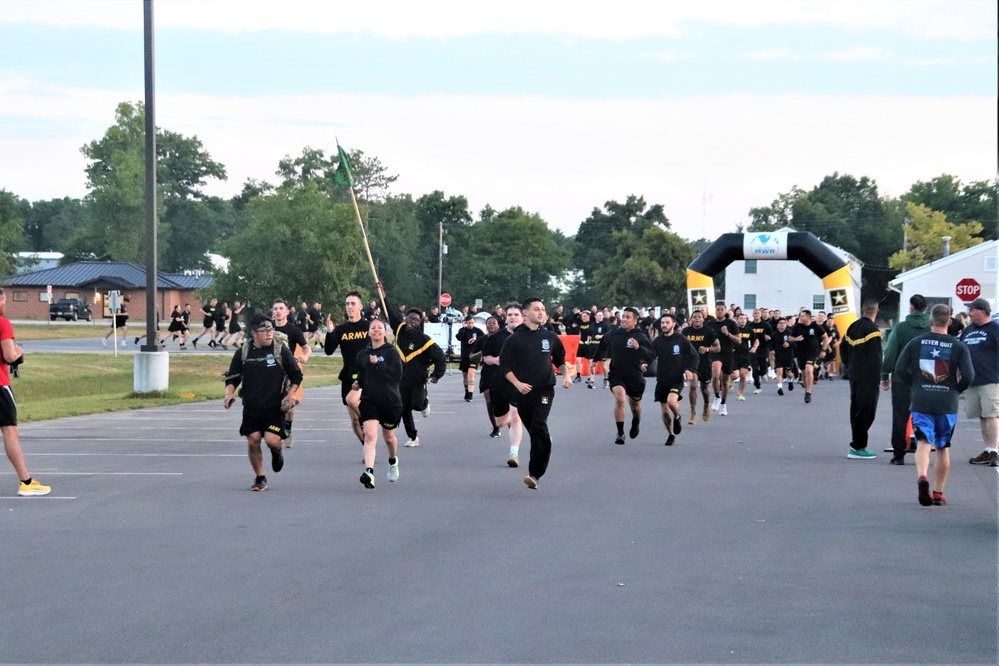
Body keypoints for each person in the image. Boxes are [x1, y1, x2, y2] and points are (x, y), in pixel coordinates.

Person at [894, 304, 973, 506]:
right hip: (947, 402)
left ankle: (922, 476)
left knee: (923, 442)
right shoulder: (958, 346)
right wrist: (956, 389)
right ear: (949, 322)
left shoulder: (916, 342)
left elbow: (900, 369)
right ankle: (938, 493)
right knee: (942, 447)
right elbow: (969, 376)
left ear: (931, 322)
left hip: (922, 399)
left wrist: (915, 385)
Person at [223, 314, 303, 492]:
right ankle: (260, 477)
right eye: (264, 331)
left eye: (271, 330)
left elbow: (296, 374)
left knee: (272, 440)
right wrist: (229, 393)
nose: (269, 334)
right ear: (253, 333)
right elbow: (233, 376)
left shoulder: (280, 350)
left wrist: (290, 394)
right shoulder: (243, 352)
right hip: (251, 407)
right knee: (253, 440)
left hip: (274, 407)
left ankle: (277, 451)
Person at [500, 297, 573, 489]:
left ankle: (534, 474)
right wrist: (517, 384)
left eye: (543, 309)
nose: (541, 312)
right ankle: (544, 442)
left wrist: (566, 376)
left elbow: (560, 359)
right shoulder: (514, 339)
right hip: (523, 392)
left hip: (544, 389)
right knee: (535, 432)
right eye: (536, 309)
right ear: (526, 313)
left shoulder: (550, 337)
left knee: (539, 425)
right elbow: (505, 367)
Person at [381, 285, 446, 448]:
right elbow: (390, 313)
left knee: (416, 404)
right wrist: (383, 296)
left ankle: (424, 403)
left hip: (418, 379)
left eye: (415, 320)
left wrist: (437, 374)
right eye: (409, 318)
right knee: (403, 408)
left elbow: (440, 357)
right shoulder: (400, 330)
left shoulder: (424, 340)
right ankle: (413, 437)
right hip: (400, 379)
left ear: (420, 323)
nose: (411, 321)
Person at [0, 288, 51, 496]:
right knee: (10, 431)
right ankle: (26, 481)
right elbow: (10, 355)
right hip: (0, 385)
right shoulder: (3, 323)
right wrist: (19, 352)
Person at [354, 318, 404, 489]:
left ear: (385, 332)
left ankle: (392, 461)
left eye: (379, 328)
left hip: (390, 401)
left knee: (389, 438)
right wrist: (358, 383)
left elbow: (397, 375)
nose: (376, 330)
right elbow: (362, 375)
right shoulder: (362, 354)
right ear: (368, 332)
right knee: (370, 435)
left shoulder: (391, 352)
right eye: (373, 328)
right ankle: (369, 472)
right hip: (369, 400)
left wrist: (379, 365)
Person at [880, 294, 931, 465]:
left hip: (902, 378)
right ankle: (924, 450)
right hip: (926, 378)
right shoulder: (931, 328)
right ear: (926, 309)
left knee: (900, 415)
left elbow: (890, 352)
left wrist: (884, 374)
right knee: (925, 415)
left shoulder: (901, 328)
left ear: (911, 307)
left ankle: (899, 453)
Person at [598, 307, 654, 445]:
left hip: (635, 375)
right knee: (620, 398)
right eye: (623, 316)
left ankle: (636, 419)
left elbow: (651, 355)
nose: (624, 319)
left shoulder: (640, 336)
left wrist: (638, 348)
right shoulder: (614, 334)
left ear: (635, 321)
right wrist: (596, 358)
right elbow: (602, 344)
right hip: (617, 373)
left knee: (635, 406)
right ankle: (620, 433)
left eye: (628, 317)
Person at [324, 291, 373, 446]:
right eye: (347, 304)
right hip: (348, 375)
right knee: (353, 420)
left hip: (366, 375)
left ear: (360, 306)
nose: (349, 307)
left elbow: (381, 345)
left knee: (352, 400)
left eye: (353, 303)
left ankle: (370, 421)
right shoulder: (341, 329)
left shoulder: (368, 326)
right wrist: (330, 332)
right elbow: (328, 351)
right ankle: (367, 445)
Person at [479, 304, 525, 465]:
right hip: (499, 381)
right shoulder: (496, 338)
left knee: (515, 416)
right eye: (510, 314)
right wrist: (496, 360)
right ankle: (509, 425)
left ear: (523, 317)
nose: (513, 317)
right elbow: (485, 358)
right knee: (501, 422)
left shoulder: (529, 336)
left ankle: (513, 454)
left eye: (516, 315)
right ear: (506, 317)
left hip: (520, 382)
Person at [841, 298, 882, 460]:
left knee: (856, 409)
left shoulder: (852, 326)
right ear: (876, 311)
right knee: (867, 411)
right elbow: (876, 358)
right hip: (868, 377)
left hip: (854, 375)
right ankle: (858, 446)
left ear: (863, 309)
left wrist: (849, 365)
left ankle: (857, 443)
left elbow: (842, 346)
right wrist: (880, 376)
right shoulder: (873, 330)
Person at [962, 298, 999, 467]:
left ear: (982, 312)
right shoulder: (968, 330)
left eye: (972, 310)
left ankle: (994, 452)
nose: (969, 314)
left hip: (991, 379)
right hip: (972, 380)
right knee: (983, 416)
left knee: (991, 414)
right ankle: (988, 449)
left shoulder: (995, 329)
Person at [651, 312, 698, 446]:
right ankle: (671, 434)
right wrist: (643, 364)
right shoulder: (658, 341)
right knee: (665, 412)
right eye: (662, 323)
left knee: (671, 402)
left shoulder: (681, 340)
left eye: (667, 322)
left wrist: (690, 370)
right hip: (662, 379)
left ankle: (677, 416)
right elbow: (650, 357)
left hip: (677, 378)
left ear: (673, 324)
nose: (664, 325)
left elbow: (694, 356)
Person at [270, 299, 312, 448]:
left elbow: (307, 348)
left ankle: (288, 428)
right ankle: (275, 430)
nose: (278, 311)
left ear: (287, 311)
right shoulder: (268, 330)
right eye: (275, 309)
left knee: (289, 404)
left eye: (281, 308)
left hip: (288, 371)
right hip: (271, 370)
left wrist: (305, 356)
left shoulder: (294, 330)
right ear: (272, 312)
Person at [682, 310, 720, 424]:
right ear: (691, 319)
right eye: (695, 317)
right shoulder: (686, 331)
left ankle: (706, 403)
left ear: (703, 319)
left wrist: (707, 349)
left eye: (699, 317)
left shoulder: (709, 331)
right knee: (693, 385)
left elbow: (718, 348)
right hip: (691, 363)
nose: (697, 319)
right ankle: (693, 413)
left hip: (704, 363)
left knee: (704, 388)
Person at [469, 315, 503, 438]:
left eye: (494, 323)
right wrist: (483, 353)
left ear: (498, 325)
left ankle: (509, 421)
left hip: (503, 372)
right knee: (490, 402)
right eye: (489, 323)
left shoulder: (505, 338)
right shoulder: (482, 340)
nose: (491, 325)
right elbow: (471, 357)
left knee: (506, 400)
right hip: (488, 372)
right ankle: (495, 427)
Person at [789, 309, 830, 404]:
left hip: (812, 352)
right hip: (801, 352)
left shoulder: (815, 326)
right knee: (803, 372)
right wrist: (796, 339)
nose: (800, 318)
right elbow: (790, 338)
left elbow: (825, 336)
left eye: (802, 316)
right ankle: (806, 388)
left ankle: (808, 392)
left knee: (809, 370)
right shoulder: (797, 327)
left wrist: (823, 350)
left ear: (808, 317)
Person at [707, 303, 741, 415]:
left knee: (725, 380)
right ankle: (716, 396)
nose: (720, 311)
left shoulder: (731, 323)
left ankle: (723, 403)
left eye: (722, 309)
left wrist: (728, 334)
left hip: (728, 353)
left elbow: (738, 340)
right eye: (718, 309)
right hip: (716, 353)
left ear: (725, 311)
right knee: (716, 374)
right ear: (715, 311)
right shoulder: (710, 324)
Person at [455, 316, 480, 402]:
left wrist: (476, 339)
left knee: (471, 373)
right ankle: (466, 391)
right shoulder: (463, 330)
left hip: (474, 355)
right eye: (469, 323)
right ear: (466, 323)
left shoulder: (477, 330)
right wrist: (463, 328)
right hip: (465, 355)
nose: (471, 325)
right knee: (465, 375)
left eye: (472, 323)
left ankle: (470, 394)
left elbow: (485, 338)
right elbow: (458, 337)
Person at [749, 309, 772, 394]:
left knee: (763, 366)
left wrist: (768, 337)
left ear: (761, 315)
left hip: (763, 347)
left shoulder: (766, 325)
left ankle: (763, 373)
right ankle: (757, 386)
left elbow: (771, 335)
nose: (757, 315)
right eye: (755, 313)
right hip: (753, 348)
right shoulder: (750, 325)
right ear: (753, 315)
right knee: (754, 368)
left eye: (758, 313)